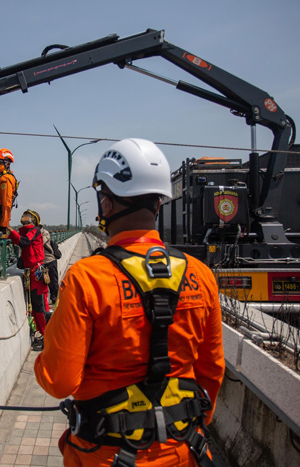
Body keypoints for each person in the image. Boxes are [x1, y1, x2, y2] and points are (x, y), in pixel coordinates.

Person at [34, 138, 225, 467]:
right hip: (186, 452)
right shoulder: (201, 275)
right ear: (159, 204)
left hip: (107, 456)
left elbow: (59, 380)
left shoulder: (87, 277)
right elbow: (211, 373)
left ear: (106, 205)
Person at [7, 209, 48, 350]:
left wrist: (10, 231)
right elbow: (19, 239)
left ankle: (45, 336)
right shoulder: (26, 231)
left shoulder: (34, 230)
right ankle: (40, 333)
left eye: (28, 216)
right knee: (34, 307)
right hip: (30, 272)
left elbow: (23, 242)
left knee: (38, 307)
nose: (25, 218)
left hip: (36, 273)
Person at [41, 226, 59, 306]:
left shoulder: (45, 233)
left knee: (53, 282)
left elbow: (40, 242)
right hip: (40, 263)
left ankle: (55, 300)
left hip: (49, 261)